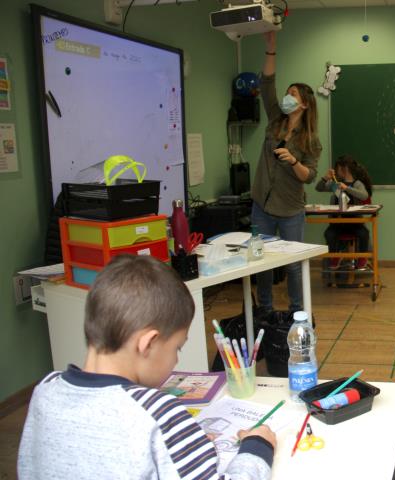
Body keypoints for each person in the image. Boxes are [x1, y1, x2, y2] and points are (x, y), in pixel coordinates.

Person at [18, 255, 276, 480]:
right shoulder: (159, 414)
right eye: (177, 347)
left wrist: (184, 450)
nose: (176, 360)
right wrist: (257, 446)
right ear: (148, 343)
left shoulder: (45, 390)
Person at [250, 30, 320, 315]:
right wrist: (271, 48)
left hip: (291, 209)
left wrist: (293, 160)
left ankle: (296, 312)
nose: (286, 97)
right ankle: (264, 310)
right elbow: (267, 84)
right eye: (287, 93)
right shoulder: (275, 122)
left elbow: (309, 176)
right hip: (262, 206)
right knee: (261, 262)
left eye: (292, 94)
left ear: (304, 104)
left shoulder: (310, 140)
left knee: (292, 264)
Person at [315, 154, 373, 269]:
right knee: (329, 234)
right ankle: (334, 257)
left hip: (355, 223)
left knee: (364, 234)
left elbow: (364, 195)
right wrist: (325, 178)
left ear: (344, 169)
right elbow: (319, 188)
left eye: (337, 168)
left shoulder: (357, 183)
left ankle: (362, 258)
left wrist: (347, 188)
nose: (336, 171)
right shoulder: (335, 185)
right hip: (338, 222)